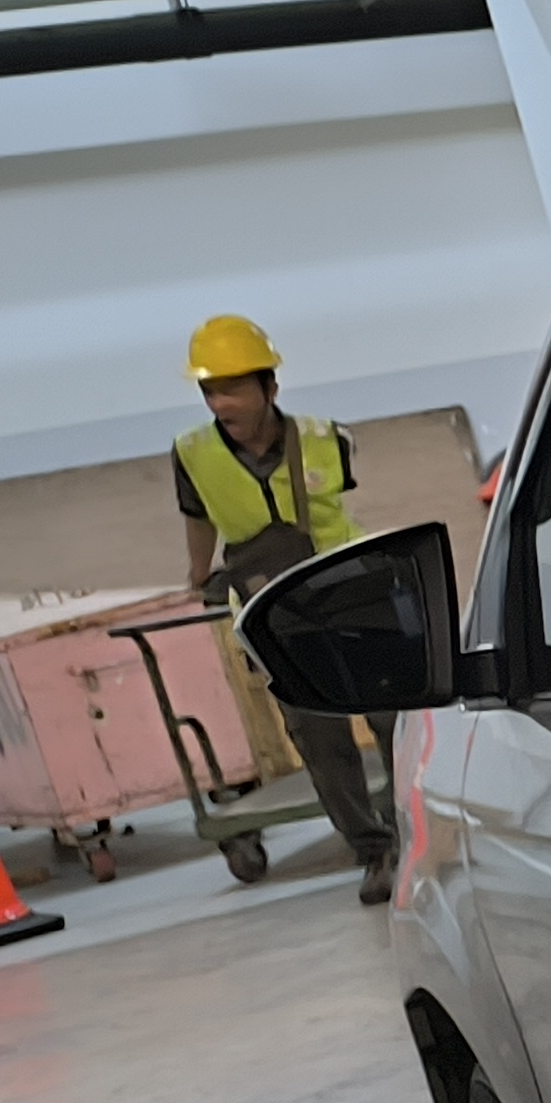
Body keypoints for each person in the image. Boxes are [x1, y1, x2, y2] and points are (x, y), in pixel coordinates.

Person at [175, 315, 398, 903]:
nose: (219, 403)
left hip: (349, 591)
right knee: (318, 735)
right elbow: (198, 517)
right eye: (209, 390)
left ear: (270, 387)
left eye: (232, 388)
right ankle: (373, 850)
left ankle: (410, 832)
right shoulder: (192, 453)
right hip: (275, 608)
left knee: (392, 719)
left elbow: (339, 512)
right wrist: (198, 575)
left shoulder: (327, 438)